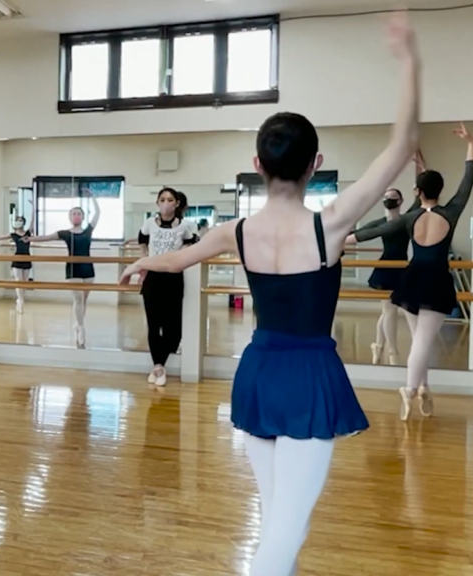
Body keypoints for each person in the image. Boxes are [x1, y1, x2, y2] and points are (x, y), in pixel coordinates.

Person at [119, 14, 418, 572]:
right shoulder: (330, 224)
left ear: (257, 165)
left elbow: (177, 260)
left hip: (258, 372)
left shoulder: (235, 232)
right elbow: (402, 146)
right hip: (310, 377)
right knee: (284, 530)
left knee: (281, 517)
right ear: (315, 165)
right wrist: (408, 61)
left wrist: (140, 261)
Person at [349, 122, 472, 421]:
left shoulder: (409, 218)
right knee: (422, 341)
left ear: (417, 192)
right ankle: (410, 388)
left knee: (420, 339)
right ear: (440, 190)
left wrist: (342, 239)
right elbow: (468, 182)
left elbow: (375, 231)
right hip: (437, 281)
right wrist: (470, 145)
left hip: (412, 279)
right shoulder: (451, 212)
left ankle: (423, 387)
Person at [134, 188, 199, 386]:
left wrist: (180, 257)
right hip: (153, 278)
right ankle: (158, 367)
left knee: (173, 330)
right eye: (162, 199)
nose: (165, 203)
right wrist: (144, 263)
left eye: (170, 200)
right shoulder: (149, 223)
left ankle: (159, 363)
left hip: (173, 278)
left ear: (177, 203)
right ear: (157, 203)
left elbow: (191, 244)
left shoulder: (184, 227)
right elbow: (142, 241)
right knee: (154, 325)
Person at [346, 188, 418, 365]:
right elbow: (360, 233)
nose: (389, 200)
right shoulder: (380, 223)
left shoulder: (405, 220)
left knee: (388, 312)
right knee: (390, 311)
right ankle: (392, 351)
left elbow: (417, 203)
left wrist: (420, 181)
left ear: (400, 201)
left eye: (392, 197)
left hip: (401, 268)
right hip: (386, 268)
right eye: (386, 197)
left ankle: (378, 346)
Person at [25, 191, 100, 348]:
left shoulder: (88, 231)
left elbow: (98, 212)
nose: (76, 216)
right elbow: (46, 237)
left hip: (88, 268)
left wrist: (92, 196)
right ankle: (81, 328)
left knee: (84, 299)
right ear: (70, 217)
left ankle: (78, 323)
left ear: (83, 217)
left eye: (79, 213)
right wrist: (29, 238)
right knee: (78, 299)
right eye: (74, 214)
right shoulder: (65, 233)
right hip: (73, 269)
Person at [0, 214, 33, 314]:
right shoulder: (13, 235)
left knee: (25, 282)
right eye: (17, 220)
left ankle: (20, 299)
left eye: (20, 220)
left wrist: (33, 210)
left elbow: (32, 223)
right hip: (17, 259)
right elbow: (0, 237)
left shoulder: (27, 233)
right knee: (18, 281)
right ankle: (21, 301)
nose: (18, 222)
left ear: (23, 223)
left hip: (27, 259)